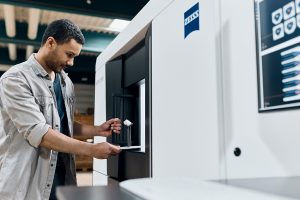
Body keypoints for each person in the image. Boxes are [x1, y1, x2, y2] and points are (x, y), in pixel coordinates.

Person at [0, 19, 121, 200]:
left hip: (63, 177)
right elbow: (39, 132)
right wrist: (91, 149)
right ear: (50, 43)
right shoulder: (16, 79)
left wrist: (96, 130)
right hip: (27, 183)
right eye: (69, 54)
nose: (71, 63)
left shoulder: (65, 82)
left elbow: (62, 123)